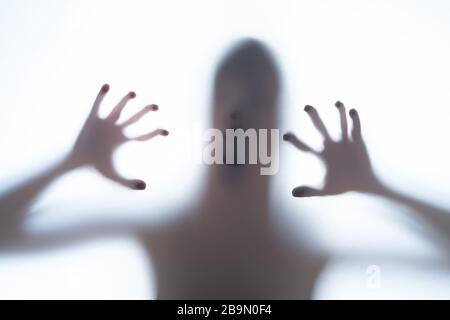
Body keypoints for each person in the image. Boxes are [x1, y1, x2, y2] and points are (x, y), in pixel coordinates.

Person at [0, 39, 448, 299]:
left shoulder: (305, 250)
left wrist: (380, 189)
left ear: (279, 122)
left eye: (256, 97)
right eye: (224, 93)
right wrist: (68, 164)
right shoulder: (164, 232)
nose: (238, 113)